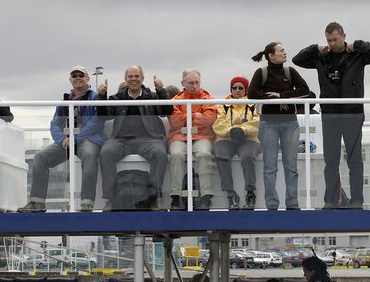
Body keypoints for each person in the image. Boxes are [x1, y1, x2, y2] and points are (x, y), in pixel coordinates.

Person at [293, 22, 370, 209]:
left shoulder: (357, 55)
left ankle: (357, 200)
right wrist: (315, 48)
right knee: (331, 160)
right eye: (328, 40)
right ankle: (331, 200)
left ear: (343, 36)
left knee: (355, 159)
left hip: (353, 114)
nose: (332, 43)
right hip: (330, 115)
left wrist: (357, 44)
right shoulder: (321, 57)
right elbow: (297, 60)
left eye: (335, 39)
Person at [19, 66, 105, 212]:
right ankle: (37, 202)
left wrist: (75, 138)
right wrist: (61, 140)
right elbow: (54, 124)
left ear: (88, 78)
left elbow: (97, 122)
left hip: (87, 139)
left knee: (90, 155)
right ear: (70, 79)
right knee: (40, 157)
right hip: (67, 141)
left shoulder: (95, 97)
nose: (78, 77)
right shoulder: (65, 100)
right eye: (74, 75)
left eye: (81, 75)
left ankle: (86, 203)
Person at [97, 65, 173, 211]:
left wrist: (161, 91)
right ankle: (111, 199)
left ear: (142, 79)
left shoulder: (152, 96)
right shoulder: (117, 98)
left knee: (160, 153)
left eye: (137, 76)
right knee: (105, 152)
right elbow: (103, 116)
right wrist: (102, 96)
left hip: (148, 139)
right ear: (126, 79)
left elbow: (166, 111)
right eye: (130, 76)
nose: (134, 79)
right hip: (121, 140)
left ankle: (153, 199)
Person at [248, 42, 310, 210]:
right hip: (268, 124)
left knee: (291, 167)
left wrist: (282, 96)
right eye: (281, 51)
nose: (284, 53)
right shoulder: (262, 73)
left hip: (291, 123)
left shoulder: (290, 72)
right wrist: (276, 101)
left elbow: (306, 90)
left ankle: (292, 203)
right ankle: (272, 204)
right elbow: (252, 93)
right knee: (270, 167)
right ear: (271, 55)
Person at [168, 69, 217, 211]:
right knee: (176, 155)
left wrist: (185, 117)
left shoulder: (208, 99)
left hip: (202, 137)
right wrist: (196, 115)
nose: (194, 85)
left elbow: (208, 121)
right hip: (179, 136)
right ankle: (176, 197)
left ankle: (206, 197)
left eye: (197, 82)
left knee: (204, 154)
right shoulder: (175, 100)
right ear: (183, 83)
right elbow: (175, 122)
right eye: (191, 83)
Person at [212, 76, 260, 210]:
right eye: (234, 88)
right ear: (231, 89)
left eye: (241, 88)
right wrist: (232, 130)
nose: (237, 90)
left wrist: (243, 130)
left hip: (249, 139)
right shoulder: (222, 104)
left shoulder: (254, 104)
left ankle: (250, 193)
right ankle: (230, 193)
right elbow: (218, 123)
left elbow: (257, 122)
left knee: (248, 156)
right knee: (221, 155)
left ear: (246, 90)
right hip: (226, 139)